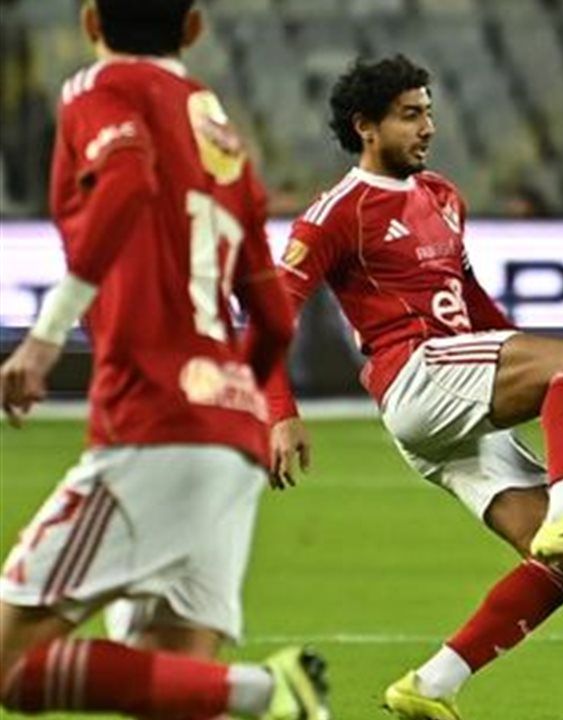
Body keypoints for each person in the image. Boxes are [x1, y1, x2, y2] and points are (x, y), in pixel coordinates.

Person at [265, 55, 563, 719]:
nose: (428, 127)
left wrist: (524, 359)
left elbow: (472, 301)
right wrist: (280, 413)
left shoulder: (441, 195)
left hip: (450, 401)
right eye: (410, 115)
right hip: (417, 376)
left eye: (428, 112)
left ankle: (430, 686)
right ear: (366, 127)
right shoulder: (336, 213)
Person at [0, 1, 330, 718]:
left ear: (91, 21)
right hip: (229, 438)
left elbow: (126, 179)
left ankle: (268, 692)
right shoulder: (220, 130)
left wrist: (45, 335)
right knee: (171, 687)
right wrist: (235, 394)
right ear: (193, 28)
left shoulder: (100, 89)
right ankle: (265, 696)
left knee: (9, 662)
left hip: (151, 427)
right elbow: (274, 316)